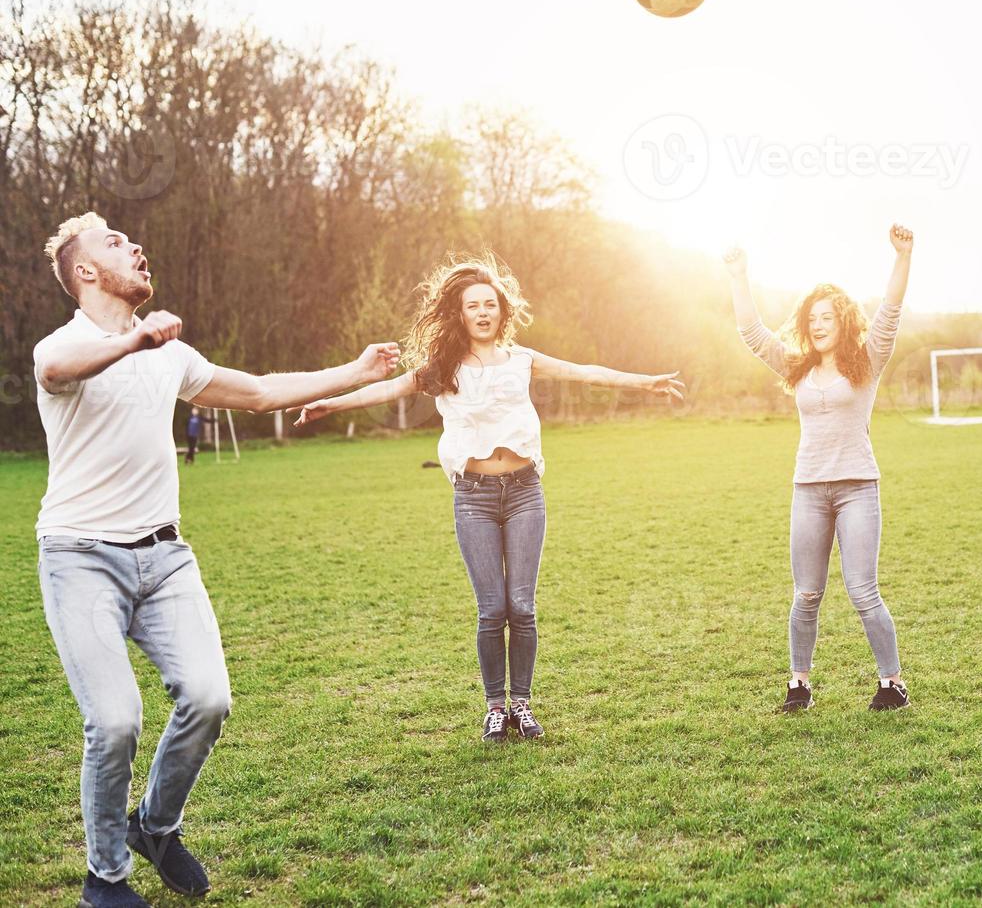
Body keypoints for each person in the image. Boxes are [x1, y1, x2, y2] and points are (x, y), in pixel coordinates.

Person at [34, 212, 401, 908]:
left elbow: (260, 392)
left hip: (165, 560)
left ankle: (156, 826)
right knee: (113, 723)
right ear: (84, 272)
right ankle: (103, 880)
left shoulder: (172, 357)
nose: (135, 245)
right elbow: (55, 370)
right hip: (80, 559)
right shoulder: (65, 345)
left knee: (209, 699)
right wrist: (135, 338)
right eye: (114, 243)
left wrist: (351, 371)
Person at [294, 256, 683, 743]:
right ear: (458, 314)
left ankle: (522, 704)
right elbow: (387, 389)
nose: (482, 312)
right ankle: (495, 707)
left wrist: (644, 382)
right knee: (491, 608)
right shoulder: (443, 368)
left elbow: (584, 371)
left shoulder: (522, 360)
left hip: (524, 493)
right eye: (472, 305)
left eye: (490, 304)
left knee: (522, 606)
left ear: (503, 311)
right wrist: (330, 403)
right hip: (474, 498)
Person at [725, 225, 914, 714]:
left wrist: (901, 257)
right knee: (806, 593)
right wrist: (738, 273)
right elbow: (751, 332)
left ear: (844, 320)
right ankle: (799, 685)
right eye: (812, 318)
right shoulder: (797, 367)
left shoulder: (868, 361)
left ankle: (891, 683)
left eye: (827, 317)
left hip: (857, 488)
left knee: (863, 591)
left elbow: (891, 314)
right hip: (809, 489)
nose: (818, 324)